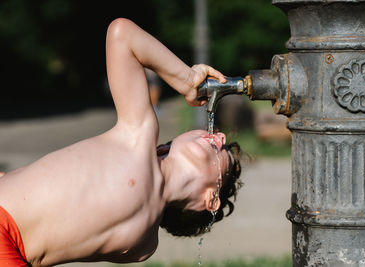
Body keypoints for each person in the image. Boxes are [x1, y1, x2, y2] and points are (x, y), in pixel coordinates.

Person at [0, 18, 242, 266]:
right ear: (165, 147)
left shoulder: (145, 245)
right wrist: (187, 79)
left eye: (227, 155)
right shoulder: (138, 137)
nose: (221, 136)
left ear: (210, 200)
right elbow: (121, 33)